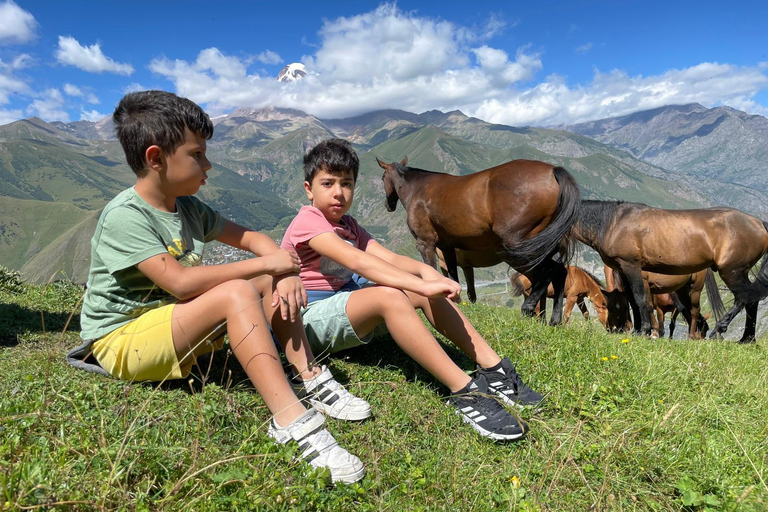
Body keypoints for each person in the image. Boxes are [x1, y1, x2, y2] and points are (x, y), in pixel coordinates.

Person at [66, 91, 366, 484]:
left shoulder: (187, 206)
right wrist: (269, 263)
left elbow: (254, 237)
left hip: (170, 323)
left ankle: (307, 375)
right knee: (238, 290)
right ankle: (290, 420)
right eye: (197, 155)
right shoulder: (126, 216)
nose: (208, 165)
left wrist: (283, 270)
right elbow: (180, 281)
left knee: (260, 278)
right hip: (121, 340)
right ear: (156, 158)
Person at [280, 138, 544, 441]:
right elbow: (358, 261)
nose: (339, 192)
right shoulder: (307, 221)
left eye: (347, 183)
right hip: (307, 322)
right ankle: (465, 392)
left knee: (418, 289)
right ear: (308, 189)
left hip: (344, 305)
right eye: (327, 183)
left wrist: (425, 272)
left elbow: (388, 257)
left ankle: (494, 368)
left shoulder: (348, 224)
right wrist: (422, 284)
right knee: (391, 295)